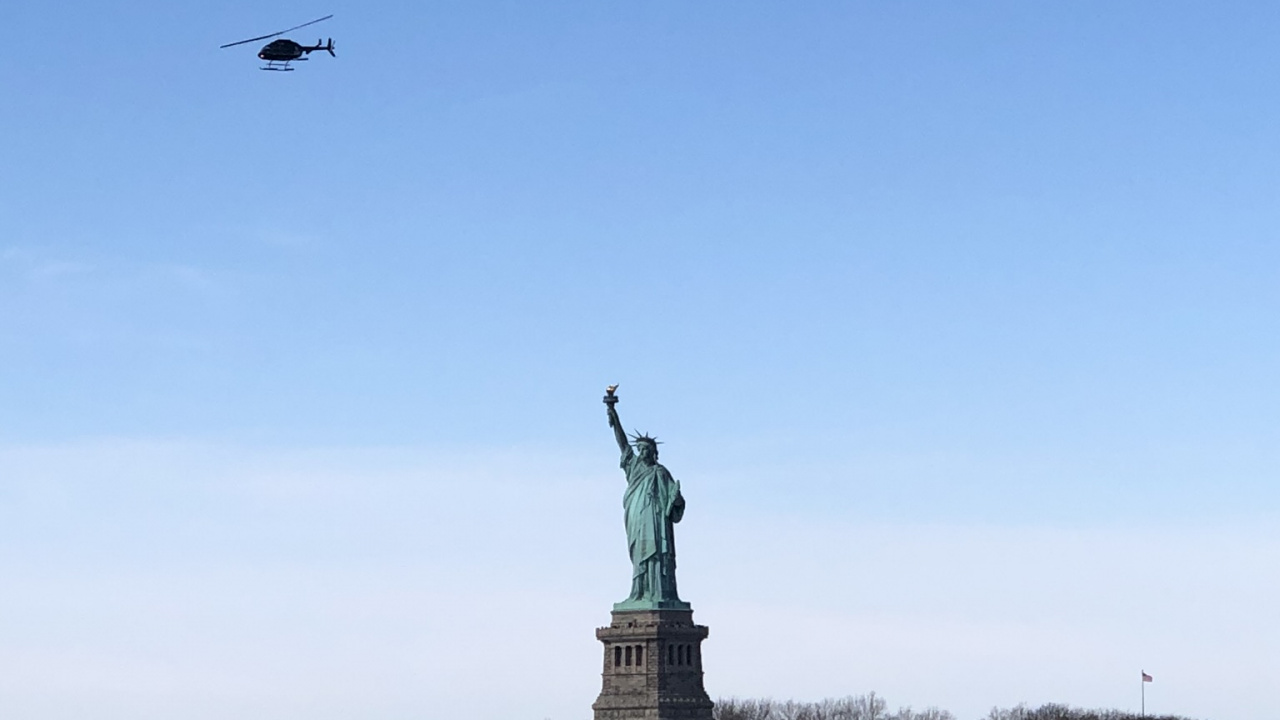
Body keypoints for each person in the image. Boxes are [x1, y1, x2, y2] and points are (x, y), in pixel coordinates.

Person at [607, 399, 688, 608]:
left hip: (656, 520)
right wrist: (613, 414)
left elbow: (676, 502)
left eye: (646, 450)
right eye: (640, 449)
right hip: (637, 518)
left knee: (659, 556)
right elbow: (622, 443)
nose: (642, 453)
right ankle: (639, 592)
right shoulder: (633, 467)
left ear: (653, 453)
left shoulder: (661, 473)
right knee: (639, 557)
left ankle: (662, 593)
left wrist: (676, 498)